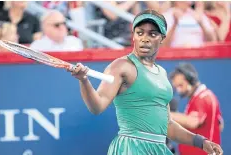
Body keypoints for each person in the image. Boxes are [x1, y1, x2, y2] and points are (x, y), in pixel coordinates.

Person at [68, 10, 223, 155]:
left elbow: (168, 125)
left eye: (153, 34)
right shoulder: (121, 66)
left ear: (162, 38)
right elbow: (97, 106)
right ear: (134, 36)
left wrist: (201, 142)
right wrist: (84, 80)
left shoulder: (162, 73)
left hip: (159, 148)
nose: (145, 38)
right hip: (131, 148)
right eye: (139, 33)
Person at [169, 62, 224, 155]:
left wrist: (165, 114)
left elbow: (193, 121)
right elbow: (220, 125)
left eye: (181, 85)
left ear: (191, 80)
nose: (179, 90)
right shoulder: (202, 96)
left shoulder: (203, 97)